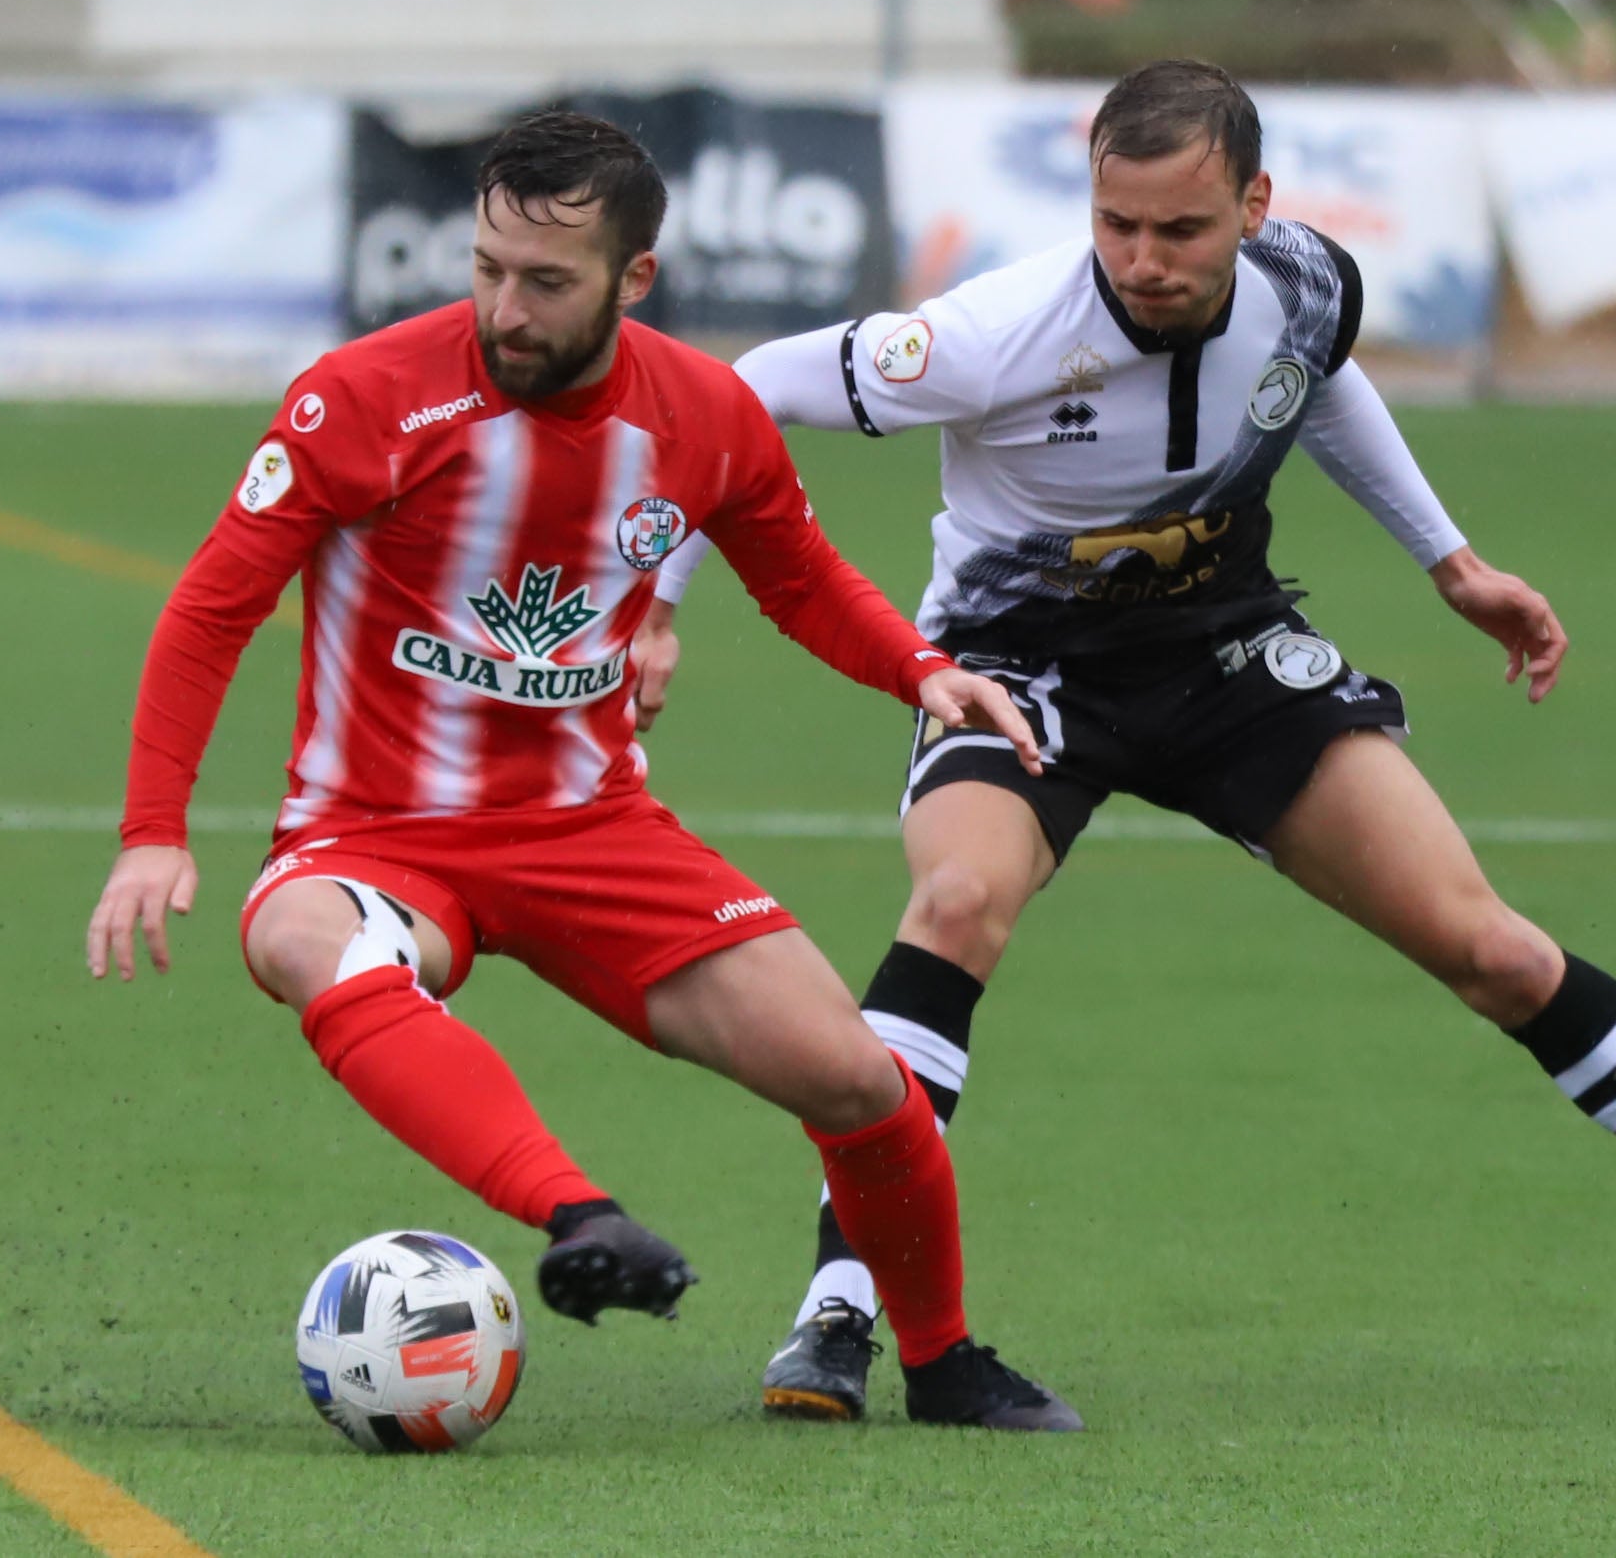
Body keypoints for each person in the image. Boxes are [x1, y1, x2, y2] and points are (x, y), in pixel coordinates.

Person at [640, 60, 1616, 1423]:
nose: (1144, 261)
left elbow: (1314, 381)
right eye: (1116, 225)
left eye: (1181, 230)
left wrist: (1449, 561)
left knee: (1498, 950)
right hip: (1021, 667)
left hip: (1225, 661)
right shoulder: (991, 334)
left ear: (1255, 206)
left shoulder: (1302, 281)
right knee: (956, 900)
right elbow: (743, 388)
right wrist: (658, 613)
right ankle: (836, 1312)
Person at [83, 110, 1079, 1433]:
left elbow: (801, 580)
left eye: (544, 281)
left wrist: (916, 666)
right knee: (301, 934)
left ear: (634, 277)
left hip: (589, 827)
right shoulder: (363, 395)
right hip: (375, 830)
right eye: (487, 266)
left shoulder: (704, 415)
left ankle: (944, 1361)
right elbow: (211, 606)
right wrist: (155, 828)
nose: (505, 304)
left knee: (858, 1080)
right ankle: (577, 1213)